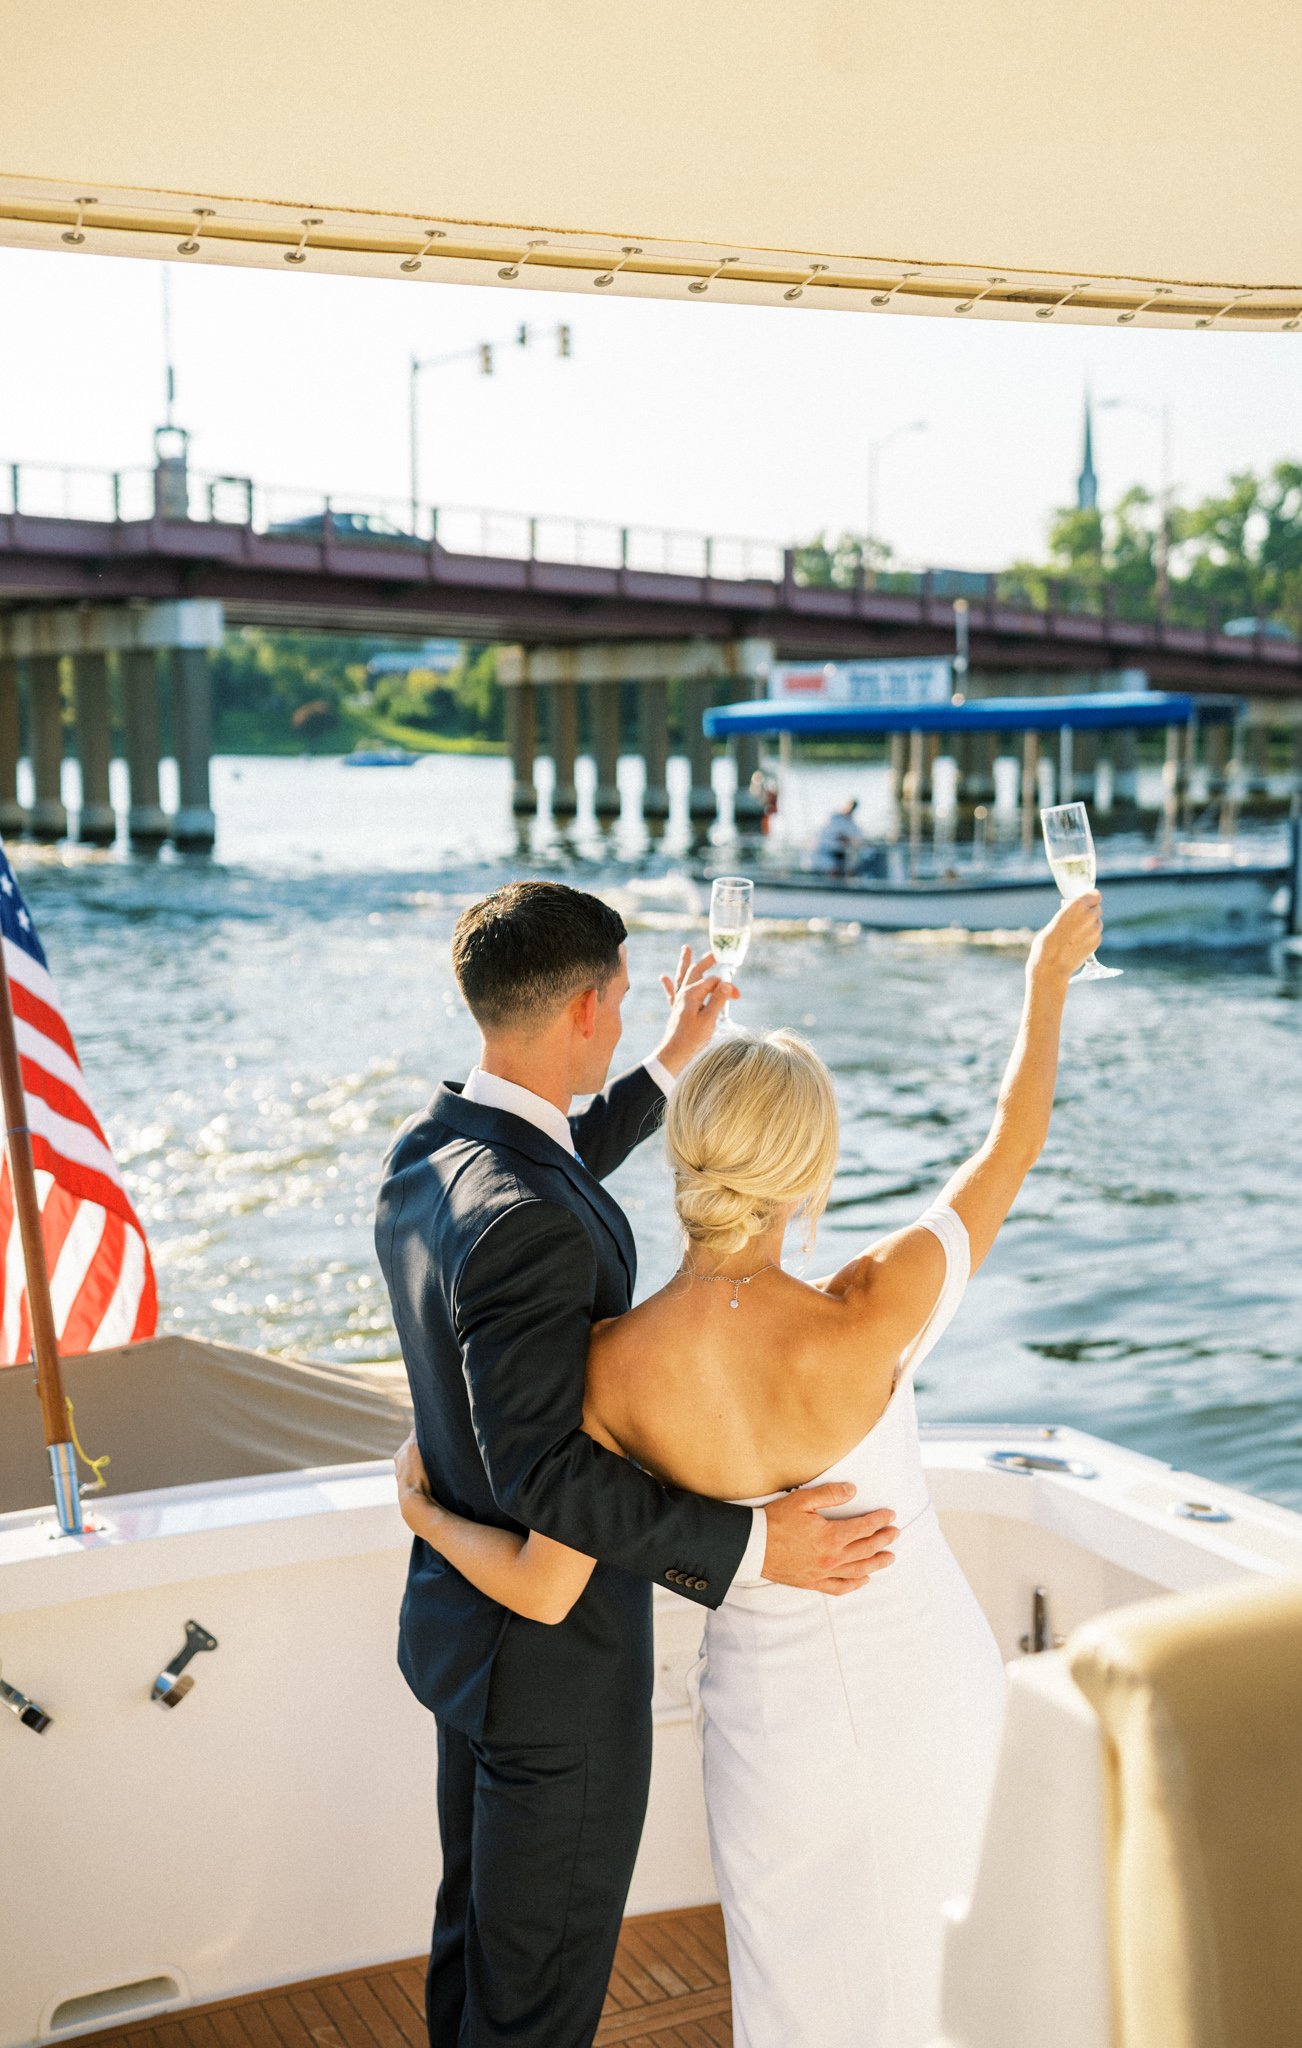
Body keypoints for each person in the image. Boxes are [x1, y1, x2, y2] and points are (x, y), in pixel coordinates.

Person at [393, 884, 1104, 2047]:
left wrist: (424, 1512)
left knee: (794, 1979)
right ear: (809, 1172)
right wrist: (1044, 981)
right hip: (928, 1687)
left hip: (769, 1729)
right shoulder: (881, 1305)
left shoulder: (606, 1368)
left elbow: (544, 1574)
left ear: (686, 1157)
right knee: (959, 1963)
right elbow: (1012, 1138)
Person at [375, 881, 898, 2048]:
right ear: (579, 1008)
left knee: (477, 1952)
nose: (622, 1016)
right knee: (539, 2005)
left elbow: (553, 1166)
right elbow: (547, 1478)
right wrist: (759, 1545)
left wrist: (671, 1061)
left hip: (471, 1651)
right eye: (617, 999)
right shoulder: (528, 1222)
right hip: (556, 1686)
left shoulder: (430, 1156)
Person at [813, 793, 867, 874]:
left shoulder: (852, 824)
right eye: (850, 806)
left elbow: (857, 839)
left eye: (853, 808)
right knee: (832, 868)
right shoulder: (834, 819)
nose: (851, 809)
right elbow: (836, 836)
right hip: (827, 852)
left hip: (843, 855)